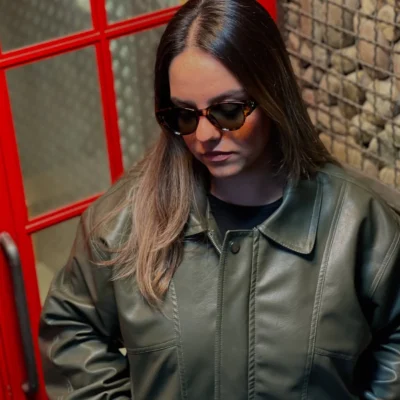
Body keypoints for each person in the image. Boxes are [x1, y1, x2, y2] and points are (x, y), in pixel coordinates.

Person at [39, 0, 400, 399]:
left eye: (228, 111)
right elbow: (70, 328)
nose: (205, 136)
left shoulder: (362, 223)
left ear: (273, 95)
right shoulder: (122, 222)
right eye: (184, 115)